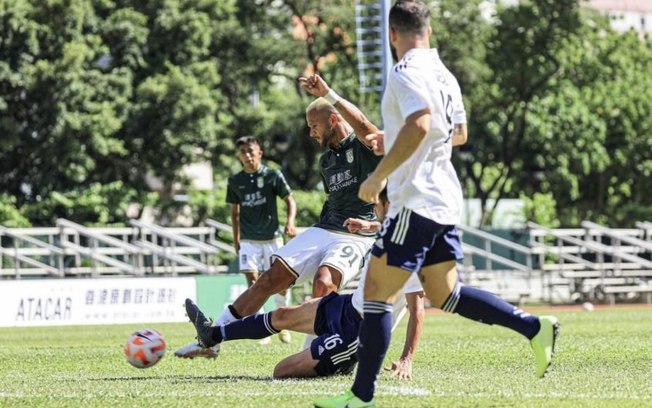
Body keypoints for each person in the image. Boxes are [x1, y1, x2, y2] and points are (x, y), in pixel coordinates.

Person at [315, 2, 560, 407]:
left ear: (393, 34)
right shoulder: (444, 74)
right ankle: (534, 327)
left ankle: (360, 396)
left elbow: (422, 124)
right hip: (444, 198)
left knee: (374, 293)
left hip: (416, 200)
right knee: (445, 293)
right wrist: (394, 141)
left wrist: (378, 175)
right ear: (427, 30)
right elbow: (456, 133)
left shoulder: (404, 70)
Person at [174, 76, 383, 358]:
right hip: (325, 228)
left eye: (314, 126)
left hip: (358, 235)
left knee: (324, 281)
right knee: (269, 279)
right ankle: (210, 340)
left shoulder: (364, 146)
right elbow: (333, 201)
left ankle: (314, 353)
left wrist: (328, 93)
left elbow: (363, 125)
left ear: (333, 120)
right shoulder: (326, 161)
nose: (311, 133)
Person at [183, 190, 426, 379]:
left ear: (390, 206)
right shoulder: (393, 228)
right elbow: (389, 225)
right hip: (345, 307)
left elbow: (417, 310)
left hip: (357, 332)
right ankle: (211, 335)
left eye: (376, 205)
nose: (372, 208)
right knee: (280, 314)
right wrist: (369, 225)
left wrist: (407, 359)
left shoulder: (410, 252)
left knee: (282, 370)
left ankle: (343, 362)